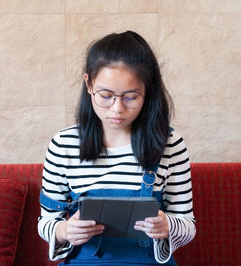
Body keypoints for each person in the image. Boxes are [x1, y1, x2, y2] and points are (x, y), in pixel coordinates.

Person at [38, 30, 196, 265]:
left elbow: (187, 224)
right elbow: (46, 222)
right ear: (89, 84)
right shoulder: (64, 145)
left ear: (147, 91)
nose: (117, 108)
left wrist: (167, 225)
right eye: (106, 95)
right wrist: (64, 231)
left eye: (130, 97)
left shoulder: (170, 144)